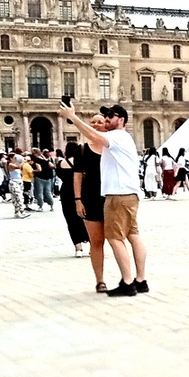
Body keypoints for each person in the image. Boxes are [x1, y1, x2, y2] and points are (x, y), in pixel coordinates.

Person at [60, 98, 147, 297]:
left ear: (122, 119)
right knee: (133, 235)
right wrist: (78, 199)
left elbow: (93, 135)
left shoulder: (116, 137)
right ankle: (140, 280)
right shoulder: (118, 139)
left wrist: (72, 117)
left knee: (115, 239)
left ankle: (128, 283)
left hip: (117, 196)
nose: (105, 120)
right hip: (126, 195)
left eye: (109, 116)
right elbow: (79, 172)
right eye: (102, 117)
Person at [71, 122, 110, 292]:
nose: (95, 124)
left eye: (100, 121)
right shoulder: (82, 150)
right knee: (96, 242)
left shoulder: (113, 147)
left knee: (117, 241)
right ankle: (100, 280)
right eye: (92, 121)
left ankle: (126, 277)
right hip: (91, 198)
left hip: (112, 198)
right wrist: (78, 200)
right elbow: (77, 177)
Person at [56, 142, 89, 258]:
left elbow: (59, 175)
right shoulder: (81, 162)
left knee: (71, 219)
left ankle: (78, 248)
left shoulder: (61, 163)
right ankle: (92, 244)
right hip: (81, 191)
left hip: (66, 192)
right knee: (86, 218)